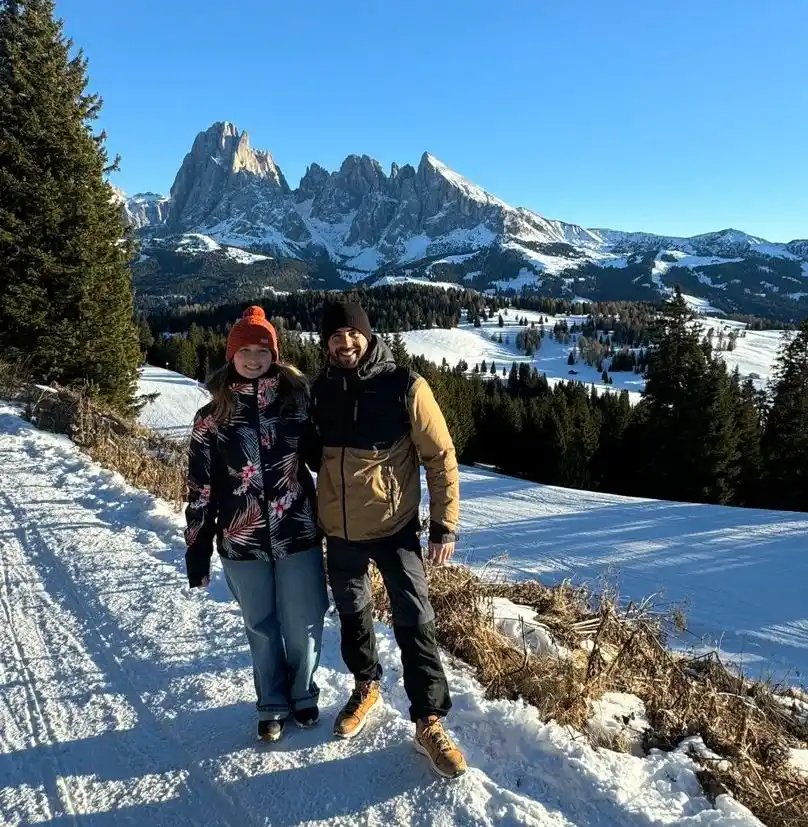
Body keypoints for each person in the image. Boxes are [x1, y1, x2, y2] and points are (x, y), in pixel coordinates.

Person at [310, 301, 467, 779]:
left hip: (394, 528)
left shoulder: (405, 386)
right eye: (335, 336)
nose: (345, 343)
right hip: (340, 532)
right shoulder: (321, 389)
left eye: (352, 334)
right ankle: (366, 685)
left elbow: (440, 456)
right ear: (326, 343)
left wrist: (444, 524)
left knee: (415, 620)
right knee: (353, 615)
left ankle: (429, 720)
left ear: (367, 334)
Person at [184, 305, 327, 743]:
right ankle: (271, 703)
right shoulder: (212, 417)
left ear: (274, 354)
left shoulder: (296, 403)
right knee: (261, 626)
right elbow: (200, 487)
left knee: (304, 619)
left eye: (261, 349)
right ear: (231, 355)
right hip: (239, 539)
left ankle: (303, 693)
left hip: (298, 532)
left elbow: (325, 458)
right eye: (244, 350)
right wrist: (197, 545)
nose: (252, 358)